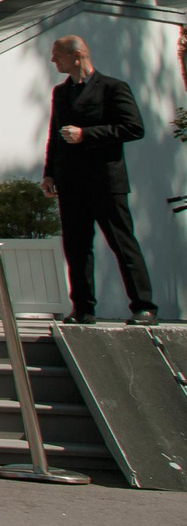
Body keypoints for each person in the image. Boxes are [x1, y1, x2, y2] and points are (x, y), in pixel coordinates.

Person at [41, 35, 157, 325]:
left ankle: (144, 307)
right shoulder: (61, 92)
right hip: (71, 183)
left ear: (77, 56)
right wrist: (49, 173)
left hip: (106, 181)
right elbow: (55, 135)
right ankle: (82, 308)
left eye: (58, 55)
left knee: (122, 243)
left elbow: (133, 128)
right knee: (76, 247)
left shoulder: (112, 88)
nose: (53, 60)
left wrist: (86, 135)